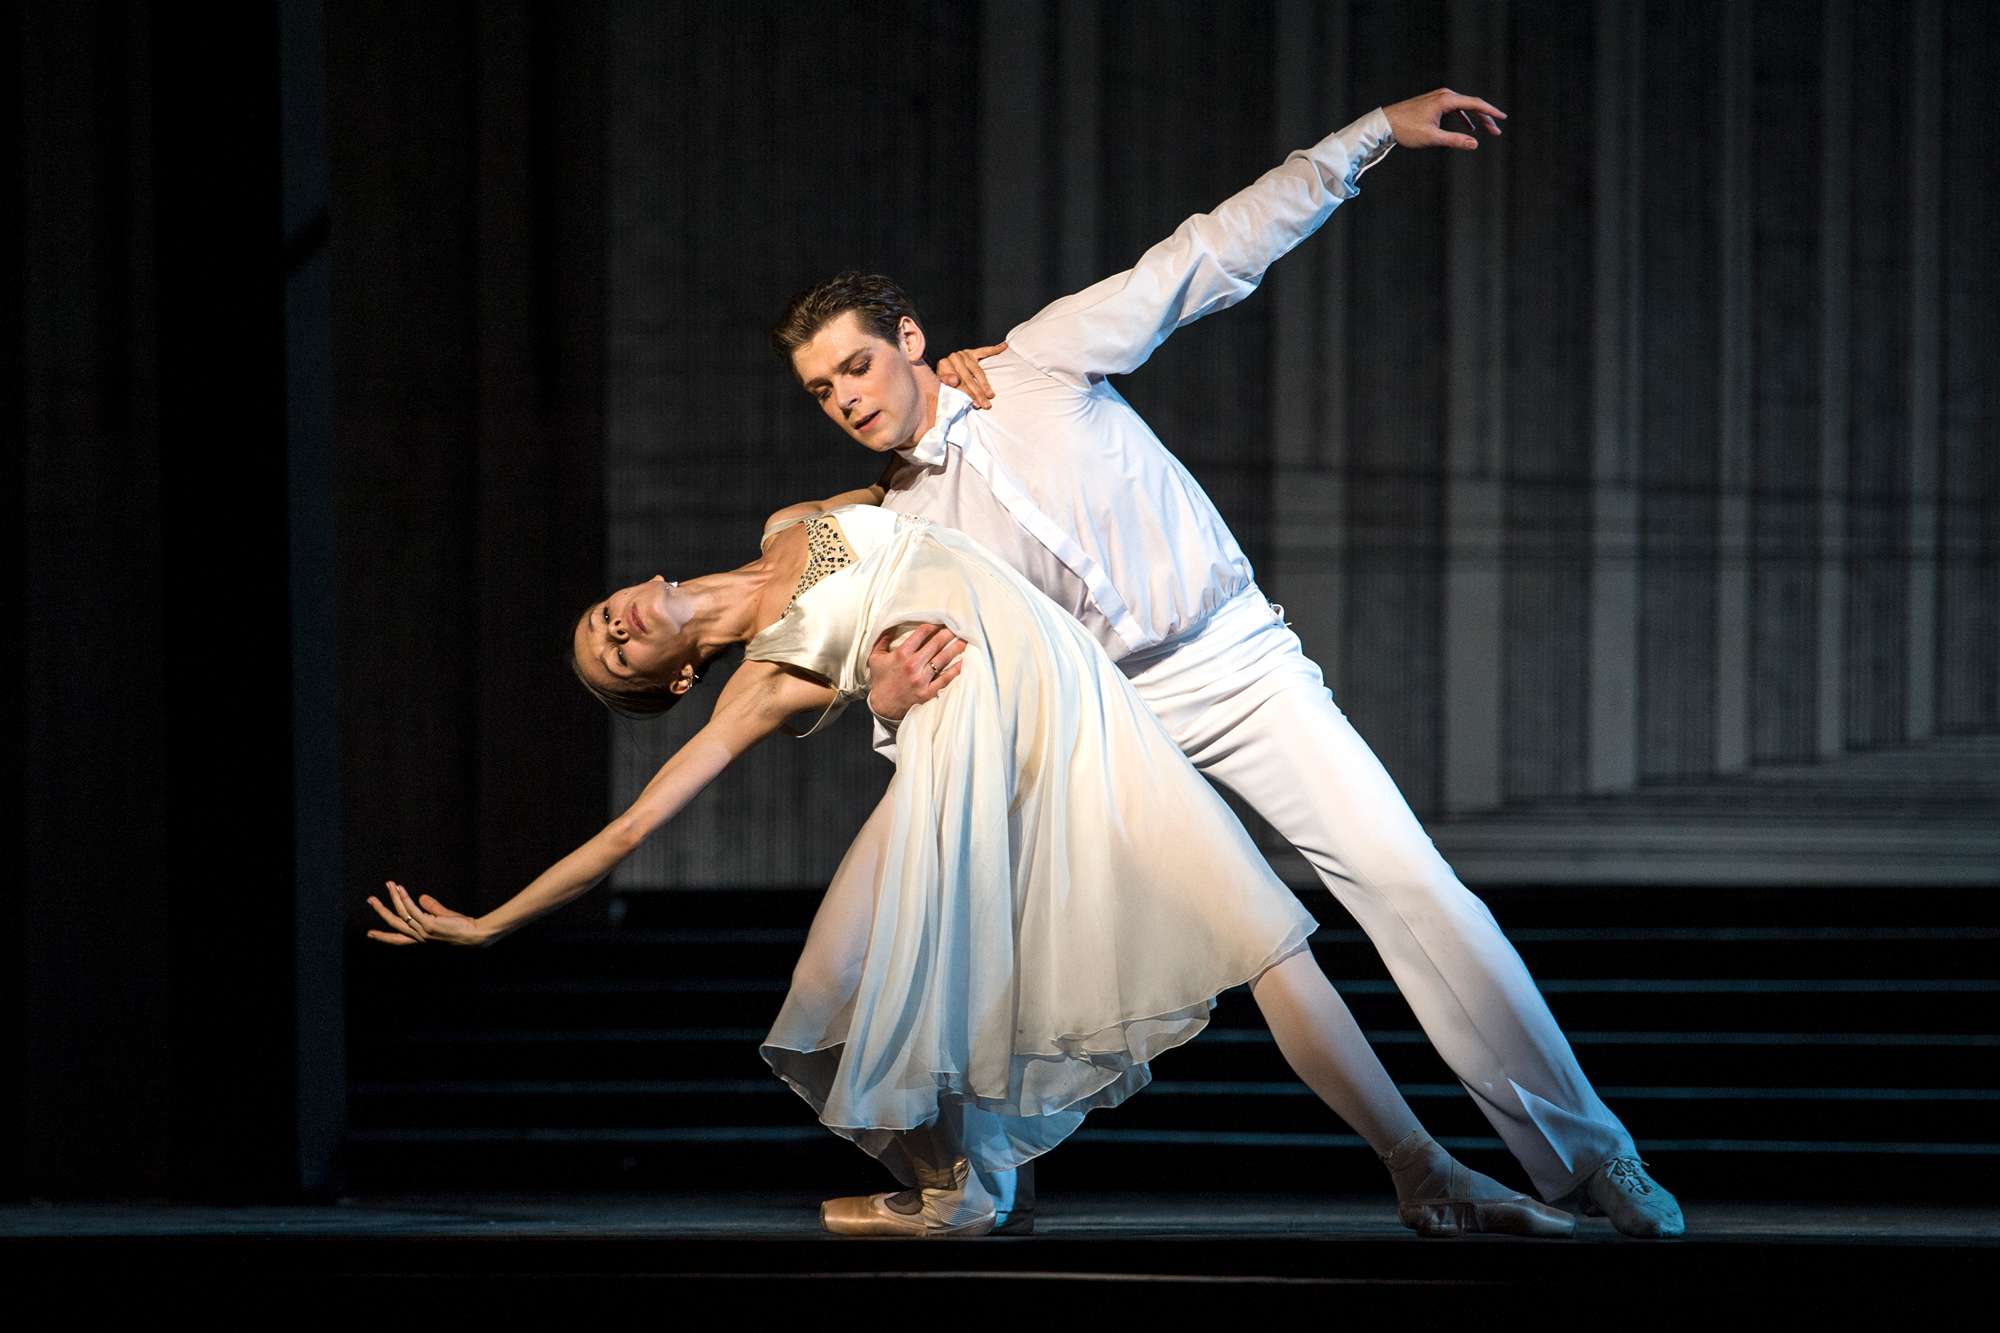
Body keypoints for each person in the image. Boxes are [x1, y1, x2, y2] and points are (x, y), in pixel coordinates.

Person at [773, 87, 1685, 1239]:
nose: (846, 398)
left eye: (856, 365)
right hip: (1109, 725)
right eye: (821, 390)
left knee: (1409, 886)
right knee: (1021, 924)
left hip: (1235, 662)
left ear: (908, 339)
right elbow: (930, 673)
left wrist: (1367, 139)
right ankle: (976, 1179)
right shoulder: (908, 522)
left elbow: (1205, 254)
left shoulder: (1037, 359)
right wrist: (890, 710)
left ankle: (1592, 1159)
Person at [366, 494, 1575, 1241]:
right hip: (963, 751)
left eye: (600, 617)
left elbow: (930, 492)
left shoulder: (794, 523)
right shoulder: (761, 684)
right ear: (667, 684)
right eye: (610, 658)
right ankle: (962, 1180)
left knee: (1258, 928)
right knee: (832, 982)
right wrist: (488, 925)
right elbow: (634, 831)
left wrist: (961, 374)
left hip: (1069, 699)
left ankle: (1422, 1173)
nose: (613, 627)